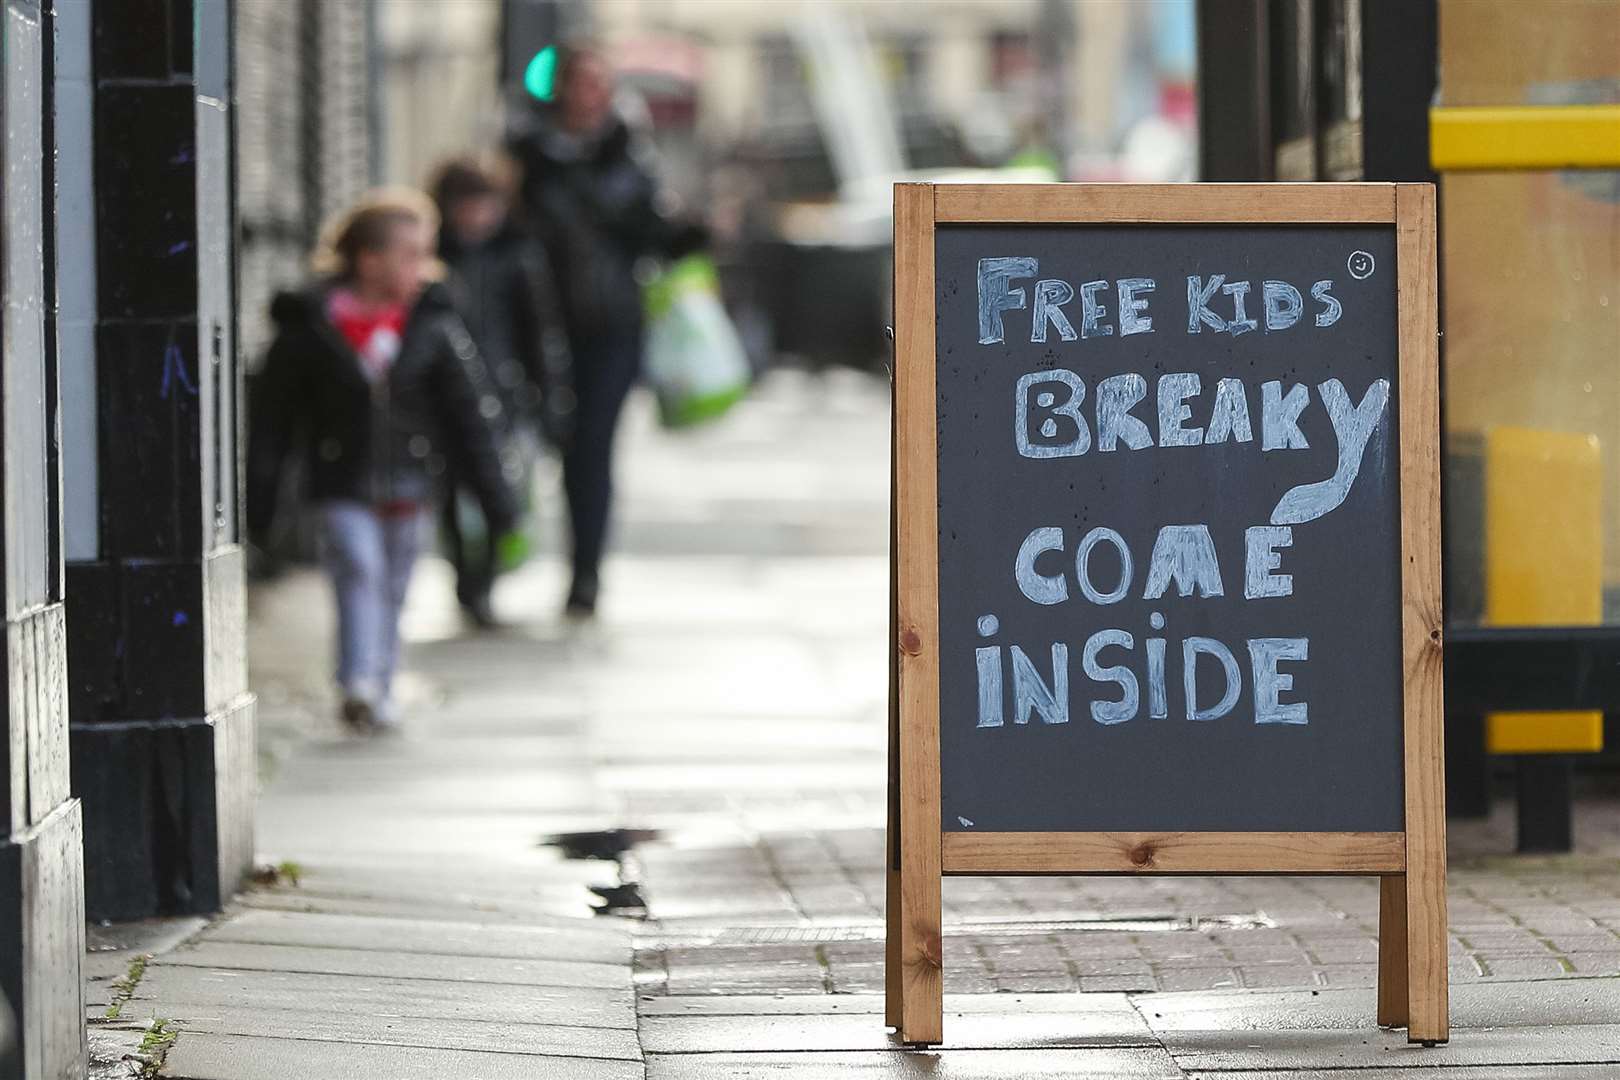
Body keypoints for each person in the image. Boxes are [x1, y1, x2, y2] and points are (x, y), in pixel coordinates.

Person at [247, 189, 519, 733]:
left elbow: (470, 418)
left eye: (426, 253)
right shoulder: (312, 328)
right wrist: (262, 501)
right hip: (340, 481)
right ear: (368, 260)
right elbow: (272, 424)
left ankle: (383, 683)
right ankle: (358, 682)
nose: (423, 267)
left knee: (393, 585)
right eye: (409, 254)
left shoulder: (433, 327)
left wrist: (497, 498)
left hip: (411, 482)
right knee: (358, 570)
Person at [507, 43, 706, 619]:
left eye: (599, 83)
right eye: (579, 82)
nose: (589, 94)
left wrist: (691, 232)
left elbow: (655, 235)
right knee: (532, 440)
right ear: (561, 89)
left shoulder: (631, 156)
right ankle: (486, 564)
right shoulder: (527, 155)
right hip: (538, 323)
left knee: (591, 448)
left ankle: (585, 574)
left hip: (611, 326)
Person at [430, 157, 574, 628]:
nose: (475, 216)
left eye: (483, 205)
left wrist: (548, 395)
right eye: (465, 205)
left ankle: (483, 581)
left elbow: (540, 332)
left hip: (501, 392)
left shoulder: (518, 257)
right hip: (443, 397)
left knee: (497, 489)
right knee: (451, 493)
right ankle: (464, 575)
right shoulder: (433, 258)